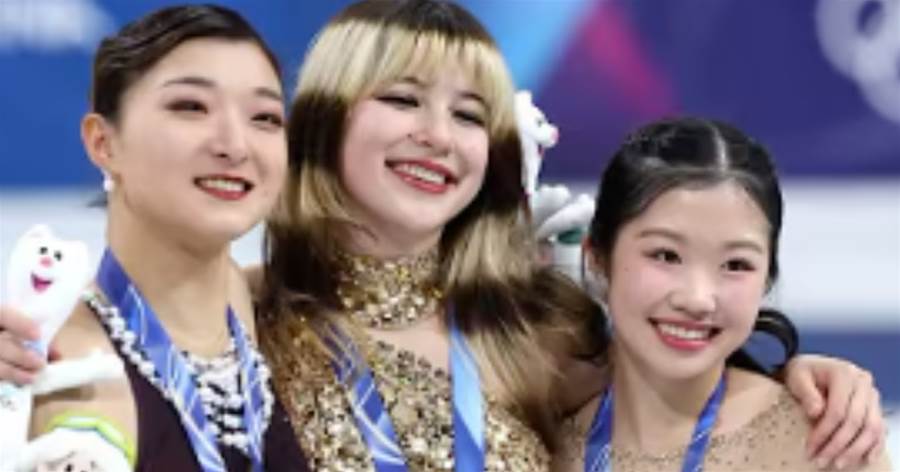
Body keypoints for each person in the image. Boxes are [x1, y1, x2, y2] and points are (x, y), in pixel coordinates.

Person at [0, 1, 887, 470]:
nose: (437, 136)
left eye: (468, 114)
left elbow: (690, 391)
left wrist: (809, 377)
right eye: (401, 100)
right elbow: (108, 325)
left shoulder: (537, 329)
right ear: (324, 123)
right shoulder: (249, 314)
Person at [4, 5, 308, 471]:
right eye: (191, 107)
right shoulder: (51, 365)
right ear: (103, 142)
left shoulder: (300, 318)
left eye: (265, 117)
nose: (235, 144)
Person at [552, 117, 892, 471]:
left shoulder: (831, 445)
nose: (698, 299)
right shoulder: (541, 442)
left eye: (735, 264)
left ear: (767, 277)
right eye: (666, 255)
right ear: (597, 259)